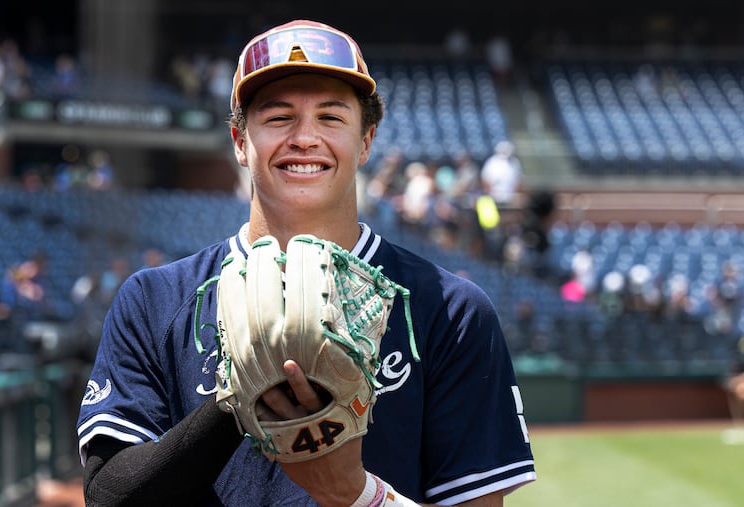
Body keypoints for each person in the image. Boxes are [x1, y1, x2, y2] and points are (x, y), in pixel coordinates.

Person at [76, 20, 536, 506]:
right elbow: (108, 496)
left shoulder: (450, 310)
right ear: (239, 140)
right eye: (278, 117)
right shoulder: (155, 300)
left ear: (366, 140)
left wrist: (352, 493)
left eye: (331, 118)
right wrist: (241, 394)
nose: (305, 138)